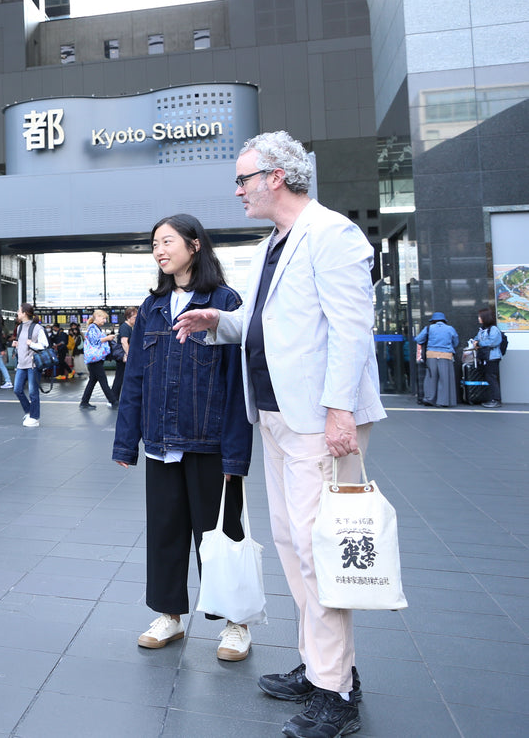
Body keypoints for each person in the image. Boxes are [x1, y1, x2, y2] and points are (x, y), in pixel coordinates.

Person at [172, 131, 386, 738]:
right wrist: (221, 320)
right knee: (294, 547)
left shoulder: (332, 234)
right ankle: (324, 667)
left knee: (320, 553)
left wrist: (340, 410)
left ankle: (335, 693)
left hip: (318, 420)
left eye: (243, 178)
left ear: (277, 177)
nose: (237, 189)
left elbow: (351, 330)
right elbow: (266, 322)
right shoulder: (276, 243)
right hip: (275, 416)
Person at [113, 213, 254, 663]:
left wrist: (236, 456)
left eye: (167, 241)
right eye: (154, 243)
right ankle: (169, 615)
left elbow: (236, 384)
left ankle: (236, 624)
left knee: (221, 534)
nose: (159, 250)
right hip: (161, 443)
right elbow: (134, 378)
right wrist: (126, 442)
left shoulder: (224, 301)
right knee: (166, 532)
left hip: (210, 442)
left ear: (195, 246)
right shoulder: (152, 307)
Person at [13, 303, 51, 428]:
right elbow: (22, 343)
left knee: (33, 392)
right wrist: (17, 345)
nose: (18, 313)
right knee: (17, 389)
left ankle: (34, 418)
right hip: (21, 364)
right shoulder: (19, 328)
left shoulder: (37, 328)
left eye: (19, 311)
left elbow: (44, 345)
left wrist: (32, 344)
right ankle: (29, 412)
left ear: (25, 313)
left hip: (33, 364)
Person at [414, 311, 459, 408]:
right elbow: (455, 342)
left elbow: (418, 339)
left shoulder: (429, 328)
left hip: (431, 355)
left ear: (433, 320)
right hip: (446, 355)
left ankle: (430, 398)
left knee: (431, 377)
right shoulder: (450, 329)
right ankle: (443, 401)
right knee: (444, 378)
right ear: (444, 320)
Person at [79, 309, 119, 410]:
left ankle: (84, 402)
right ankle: (113, 401)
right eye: (103, 318)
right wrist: (107, 338)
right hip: (95, 359)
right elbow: (95, 342)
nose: (105, 321)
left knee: (92, 381)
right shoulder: (93, 328)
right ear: (97, 317)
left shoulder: (95, 328)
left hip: (95, 359)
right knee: (103, 380)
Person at [472, 307, 505, 409]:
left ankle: (496, 400)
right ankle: (492, 399)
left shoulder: (494, 329)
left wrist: (479, 343)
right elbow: (476, 339)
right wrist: (476, 342)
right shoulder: (482, 329)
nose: (478, 318)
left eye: (480, 317)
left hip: (492, 357)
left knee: (491, 378)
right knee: (489, 377)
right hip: (486, 357)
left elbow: (492, 342)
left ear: (485, 317)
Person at [110, 306, 138, 401]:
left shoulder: (129, 327)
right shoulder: (125, 327)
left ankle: (114, 398)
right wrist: (128, 354)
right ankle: (113, 398)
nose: (136, 319)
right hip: (123, 357)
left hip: (125, 356)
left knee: (121, 377)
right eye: (134, 317)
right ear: (128, 317)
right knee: (120, 377)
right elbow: (124, 342)